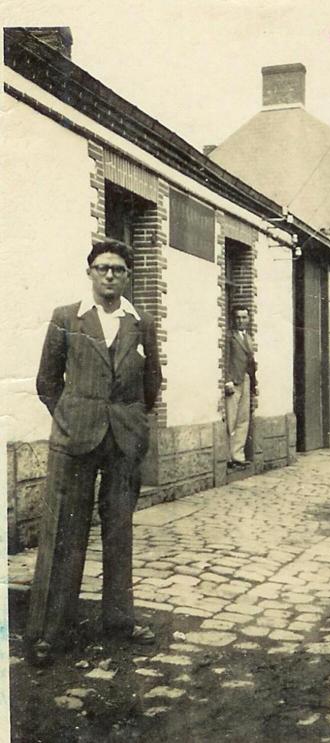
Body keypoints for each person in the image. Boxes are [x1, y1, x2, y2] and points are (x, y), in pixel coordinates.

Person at [26, 239, 162, 665]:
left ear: (127, 277)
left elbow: (151, 385)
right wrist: (71, 416)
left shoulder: (141, 323)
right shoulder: (67, 318)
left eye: (118, 269)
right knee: (64, 532)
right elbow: (47, 381)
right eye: (102, 267)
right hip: (75, 439)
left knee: (119, 531)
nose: (109, 275)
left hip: (122, 441)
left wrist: (132, 422)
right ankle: (50, 630)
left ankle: (119, 620)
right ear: (89, 272)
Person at [225, 306, 256, 468]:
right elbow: (225, 359)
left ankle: (238, 456)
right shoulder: (230, 337)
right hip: (234, 381)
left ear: (248, 319)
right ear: (233, 319)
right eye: (238, 318)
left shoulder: (248, 338)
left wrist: (253, 382)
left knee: (243, 419)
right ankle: (229, 457)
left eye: (244, 317)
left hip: (246, 380)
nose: (241, 321)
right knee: (232, 418)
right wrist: (227, 380)